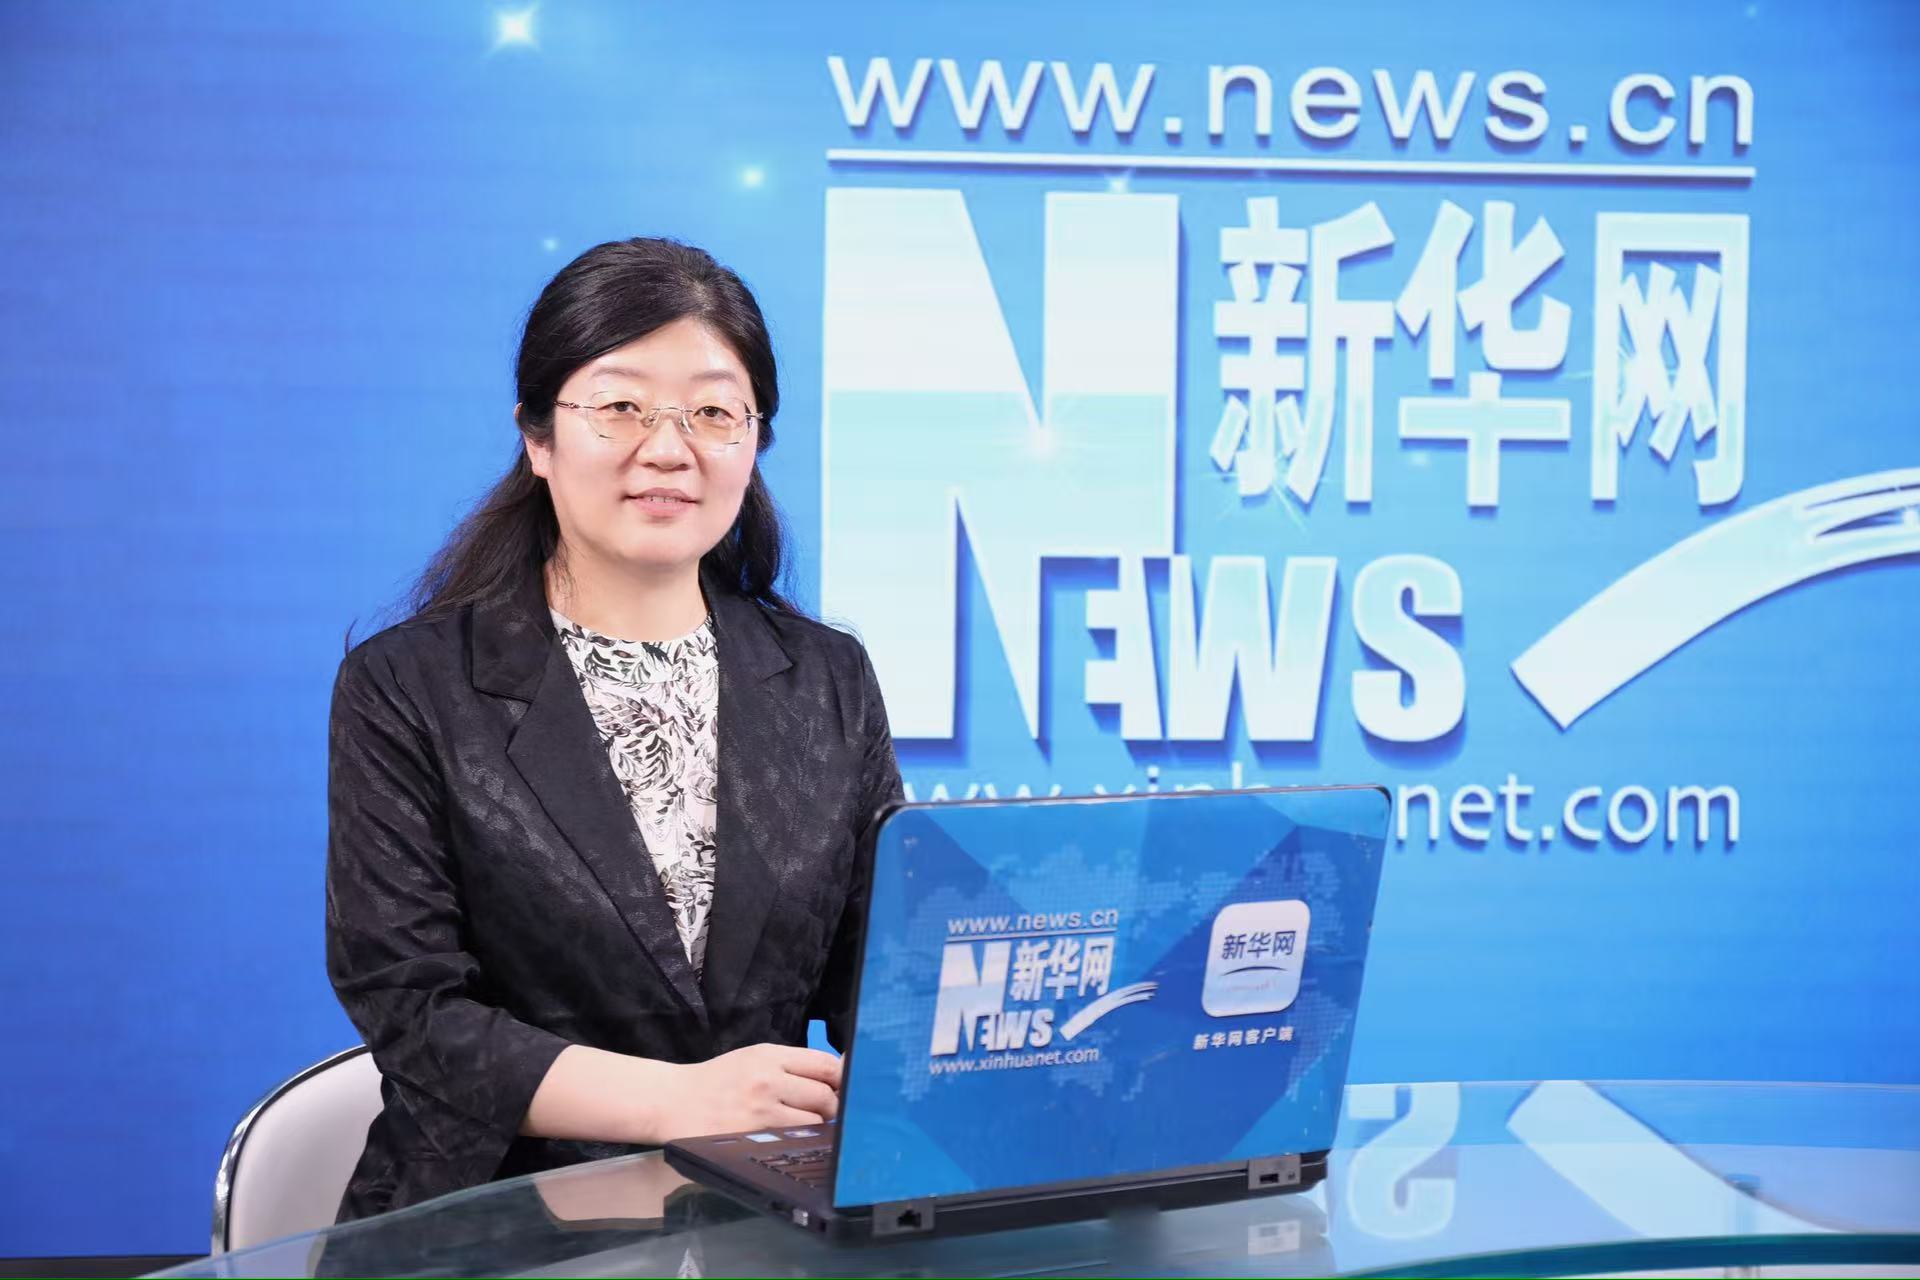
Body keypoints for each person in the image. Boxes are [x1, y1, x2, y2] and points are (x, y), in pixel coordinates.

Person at [324, 237, 901, 1222]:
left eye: (713, 412)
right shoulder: (409, 686)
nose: (668, 448)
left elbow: (884, 982)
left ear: (754, 440)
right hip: (490, 1216)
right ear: (538, 437)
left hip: (761, 1217)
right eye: (621, 406)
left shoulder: (826, 679)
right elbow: (414, 1010)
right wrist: (680, 1101)